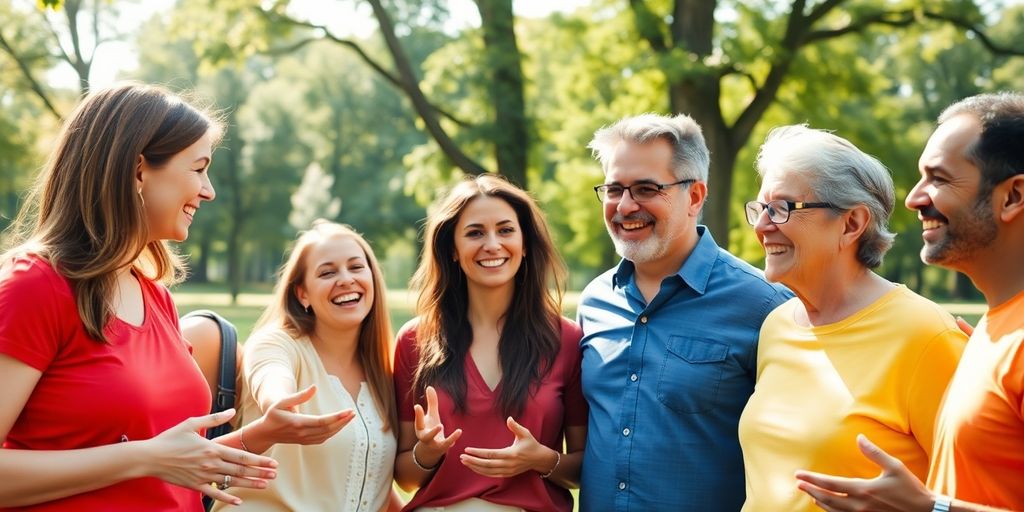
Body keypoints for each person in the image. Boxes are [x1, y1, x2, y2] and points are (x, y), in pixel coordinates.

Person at [0, 82, 337, 510]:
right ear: (139, 170)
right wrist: (141, 458)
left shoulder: (154, 296)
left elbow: (173, 463)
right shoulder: (35, 284)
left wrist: (265, 431)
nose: (209, 190)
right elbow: (150, 458)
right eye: (198, 168)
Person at [794, 92, 1024, 512]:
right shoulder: (992, 332)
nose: (915, 199)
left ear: (1012, 197)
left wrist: (928, 508)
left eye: (939, 178)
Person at [737, 125, 966, 512]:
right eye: (760, 208)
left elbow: (984, 493)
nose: (761, 226)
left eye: (782, 208)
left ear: (852, 224)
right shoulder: (776, 325)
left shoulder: (926, 336)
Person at [577, 113, 792, 511]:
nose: (624, 206)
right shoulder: (594, 303)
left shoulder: (764, 306)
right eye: (613, 189)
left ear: (694, 197)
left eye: (645, 189)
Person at [393, 174, 586, 512]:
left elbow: (585, 470)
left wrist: (541, 459)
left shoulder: (567, 340)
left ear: (525, 243)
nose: (492, 244)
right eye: (475, 233)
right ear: (453, 249)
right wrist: (427, 452)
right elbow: (406, 479)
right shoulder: (414, 340)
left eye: (506, 230)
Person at [212, 220, 399, 511]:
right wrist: (279, 403)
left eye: (356, 267)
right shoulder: (277, 344)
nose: (346, 279)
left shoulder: (382, 373)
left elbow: (370, 479)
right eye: (327, 272)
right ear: (302, 294)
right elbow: (271, 376)